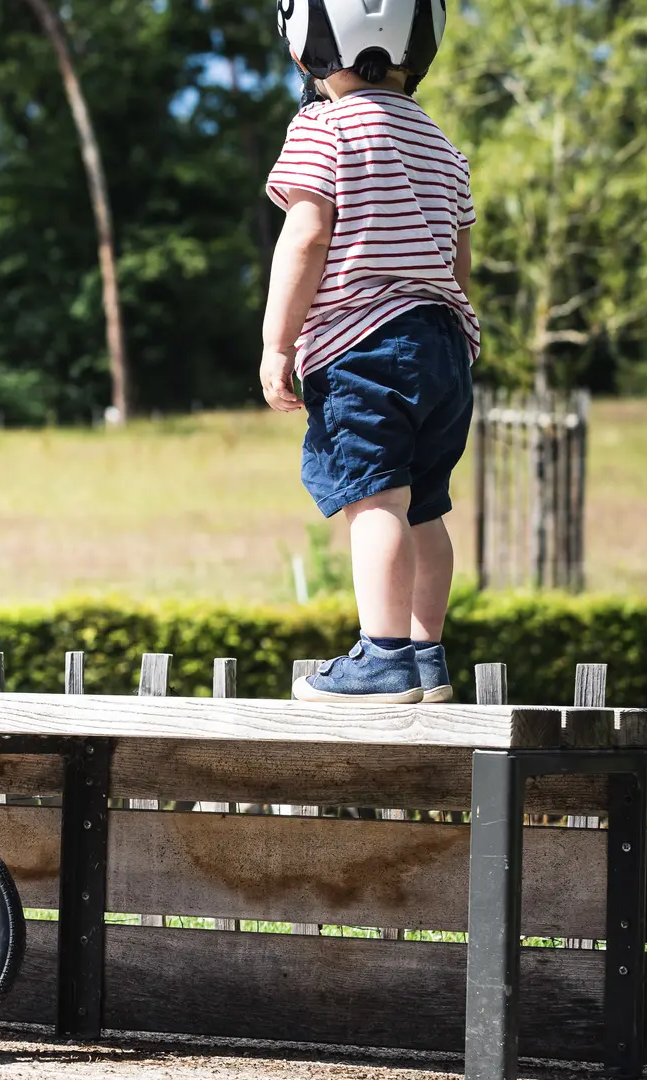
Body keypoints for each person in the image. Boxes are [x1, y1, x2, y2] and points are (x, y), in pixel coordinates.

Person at [261, 0, 479, 703]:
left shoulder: (322, 127)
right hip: (443, 344)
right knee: (425, 506)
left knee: (375, 498)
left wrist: (277, 342)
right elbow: (459, 256)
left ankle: (382, 658)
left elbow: (305, 238)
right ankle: (426, 657)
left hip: (363, 345)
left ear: (307, 45)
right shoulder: (443, 145)